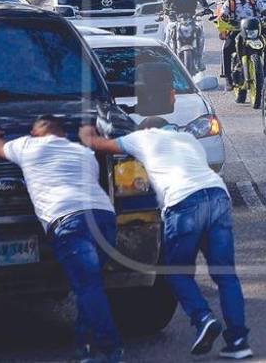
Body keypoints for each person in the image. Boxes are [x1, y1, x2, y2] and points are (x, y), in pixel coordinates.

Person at [80, 118, 252, 360]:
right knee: (225, 274)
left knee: (176, 272)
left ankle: (203, 318)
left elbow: (98, 144)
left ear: (147, 129)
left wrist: (86, 130)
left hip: (183, 204)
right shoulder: (189, 139)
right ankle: (238, 341)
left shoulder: (142, 138)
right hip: (218, 197)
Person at [0, 117, 122, 363]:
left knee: (88, 287)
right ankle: (85, 349)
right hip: (104, 218)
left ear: (37, 132)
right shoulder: (83, 153)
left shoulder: (28, 146)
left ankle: (111, 349)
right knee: (88, 286)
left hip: (69, 220)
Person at [218, 0, 266, 86]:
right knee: (227, 48)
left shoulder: (255, 1)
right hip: (237, 32)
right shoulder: (230, 3)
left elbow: (264, 11)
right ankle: (228, 77)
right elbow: (223, 13)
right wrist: (224, 17)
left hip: (254, 32)